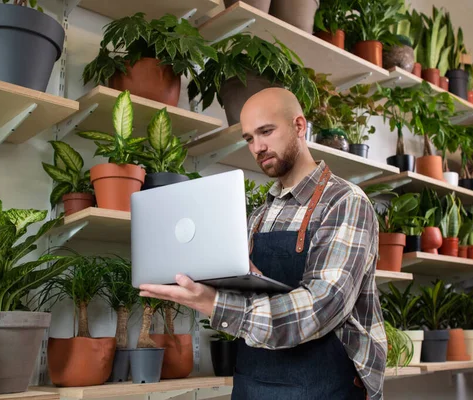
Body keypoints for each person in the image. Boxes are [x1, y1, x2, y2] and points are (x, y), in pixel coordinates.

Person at [139, 88, 387, 399]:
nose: (258, 147)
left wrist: (214, 303)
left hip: (321, 386)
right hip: (253, 384)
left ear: (299, 126)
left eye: (266, 131)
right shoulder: (259, 215)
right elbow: (249, 293)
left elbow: (322, 307)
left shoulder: (344, 202)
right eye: (248, 138)